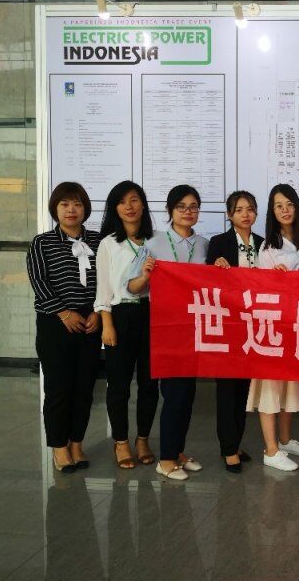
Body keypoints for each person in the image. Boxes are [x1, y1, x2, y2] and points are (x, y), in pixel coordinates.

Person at [129, 184, 209, 481]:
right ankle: (165, 459)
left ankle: (177, 451)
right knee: (174, 394)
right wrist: (146, 275)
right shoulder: (153, 242)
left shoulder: (204, 244)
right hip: (166, 328)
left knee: (188, 394)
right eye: (181, 207)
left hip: (194, 328)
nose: (188, 212)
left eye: (193, 207)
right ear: (170, 210)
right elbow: (132, 287)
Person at [27, 182, 101, 472]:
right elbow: (39, 281)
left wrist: (98, 311)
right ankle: (60, 448)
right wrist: (63, 312)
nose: (71, 210)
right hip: (54, 322)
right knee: (59, 388)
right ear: (55, 209)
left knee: (84, 388)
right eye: (65, 204)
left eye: (78, 204)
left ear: (85, 209)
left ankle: (77, 444)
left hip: (90, 321)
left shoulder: (98, 241)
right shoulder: (42, 242)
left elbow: (106, 280)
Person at [245, 184, 299, 472]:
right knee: (270, 388)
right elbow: (269, 288)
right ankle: (270, 449)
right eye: (279, 206)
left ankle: (285, 440)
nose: (285, 210)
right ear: (272, 212)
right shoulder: (267, 248)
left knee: (290, 386)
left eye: (289, 204)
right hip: (273, 325)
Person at [95, 181, 158, 469]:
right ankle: (121, 442)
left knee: (149, 383)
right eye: (122, 202)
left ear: (143, 204)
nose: (129, 207)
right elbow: (103, 289)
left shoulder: (156, 241)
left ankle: (143, 439)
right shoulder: (109, 243)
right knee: (118, 385)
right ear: (115, 209)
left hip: (152, 315)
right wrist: (107, 325)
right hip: (120, 316)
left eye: (134, 200)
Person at [206, 190, 264, 472]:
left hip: (254, 325)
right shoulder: (219, 243)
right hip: (228, 325)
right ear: (229, 215)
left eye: (250, 209)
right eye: (239, 210)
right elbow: (207, 281)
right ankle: (228, 448)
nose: (245, 214)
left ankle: (236, 442)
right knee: (227, 389)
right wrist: (215, 267)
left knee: (243, 389)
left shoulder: (264, 244)